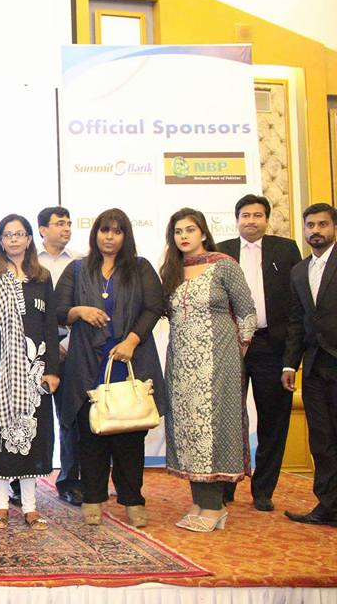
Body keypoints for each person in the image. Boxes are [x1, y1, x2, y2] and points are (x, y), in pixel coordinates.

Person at [54, 208, 166, 528]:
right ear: (96, 234)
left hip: (129, 361)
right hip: (88, 365)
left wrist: (131, 340)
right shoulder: (77, 269)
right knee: (92, 436)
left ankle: (133, 500)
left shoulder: (140, 267)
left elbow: (153, 307)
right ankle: (93, 497)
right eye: (105, 230)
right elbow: (59, 311)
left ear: (125, 236)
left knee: (129, 438)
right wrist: (79, 311)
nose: (110, 237)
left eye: (117, 231)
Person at [160, 208, 257, 532]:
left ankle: (215, 506)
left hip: (218, 362)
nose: (184, 236)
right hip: (180, 364)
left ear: (203, 232)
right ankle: (200, 502)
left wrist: (237, 351)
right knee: (188, 429)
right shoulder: (172, 270)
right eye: (178, 231)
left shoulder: (224, 265)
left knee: (213, 429)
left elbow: (246, 313)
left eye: (190, 229)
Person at [216, 195, 302, 511]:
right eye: (245, 215)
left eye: (257, 215)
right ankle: (224, 486)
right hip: (230, 346)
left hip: (271, 346)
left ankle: (263, 490)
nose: (251, 221)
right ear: (236, 219)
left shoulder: (286, 250)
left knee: (273, 420)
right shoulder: (221, 251)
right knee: (226, 419)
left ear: (267, 219)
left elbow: (296, 305)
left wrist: (291, 357)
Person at [0, 214, 59, 531]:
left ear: (29, 239)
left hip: (35, 373)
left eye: (19, 234)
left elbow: (50, 327)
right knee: (0, 438)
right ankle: (1, 505)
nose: (13, 239)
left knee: (32, 438)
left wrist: (52, 370)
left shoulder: (42, 277)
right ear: (0, 240)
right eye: (7, 234)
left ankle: (30, 506)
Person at [282, 203, 337, 526]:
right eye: (310, 225)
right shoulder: (299, 271)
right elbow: (296, 320)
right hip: (314, 366)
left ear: (334, 228)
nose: (316, 230)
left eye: (323, 224)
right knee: (321, 439)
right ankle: (328, 505)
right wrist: (290, 364)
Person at [37, 206, 84, 506]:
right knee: (31, 420)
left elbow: (85, 309)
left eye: (68, 223)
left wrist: (67, 343)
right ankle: (23, 480)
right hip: (33, 352)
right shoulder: (28, 262)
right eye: (59, 224)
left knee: (71, 419)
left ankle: (69, 481)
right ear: (42, 230)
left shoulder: (80, 263)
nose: (66, 228)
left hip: (70, 349)